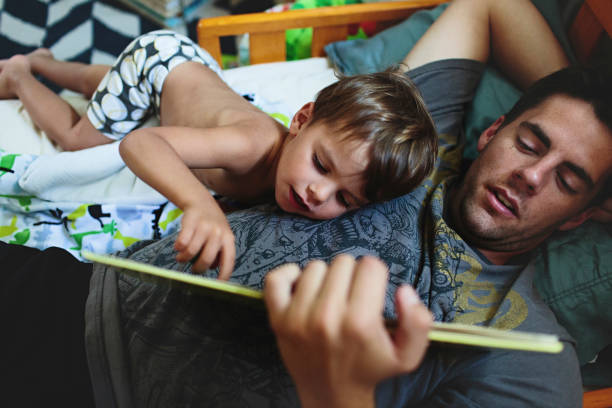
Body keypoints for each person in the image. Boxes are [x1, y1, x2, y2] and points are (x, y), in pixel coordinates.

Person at [0, 0, 611, 407]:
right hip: (85, 294)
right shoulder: (411, 147)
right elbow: (488, 5)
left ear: (587, 214)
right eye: (530, 143)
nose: (531, 176)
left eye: (570, 179)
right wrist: (589, 96)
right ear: (492, 131)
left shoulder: (531, 353)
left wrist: (337, 394)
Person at [0, 30, 437, 279]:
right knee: (84, 137)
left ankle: (44, 61)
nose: (318, 193)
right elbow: (140, 143)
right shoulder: (251, 145)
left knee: (108, 83)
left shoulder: (299, 165)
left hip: (181, 71)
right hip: (160, 63)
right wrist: (198, 204)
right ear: (301, 120)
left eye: (346, 200)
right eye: (321, 165)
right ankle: (21, 73)